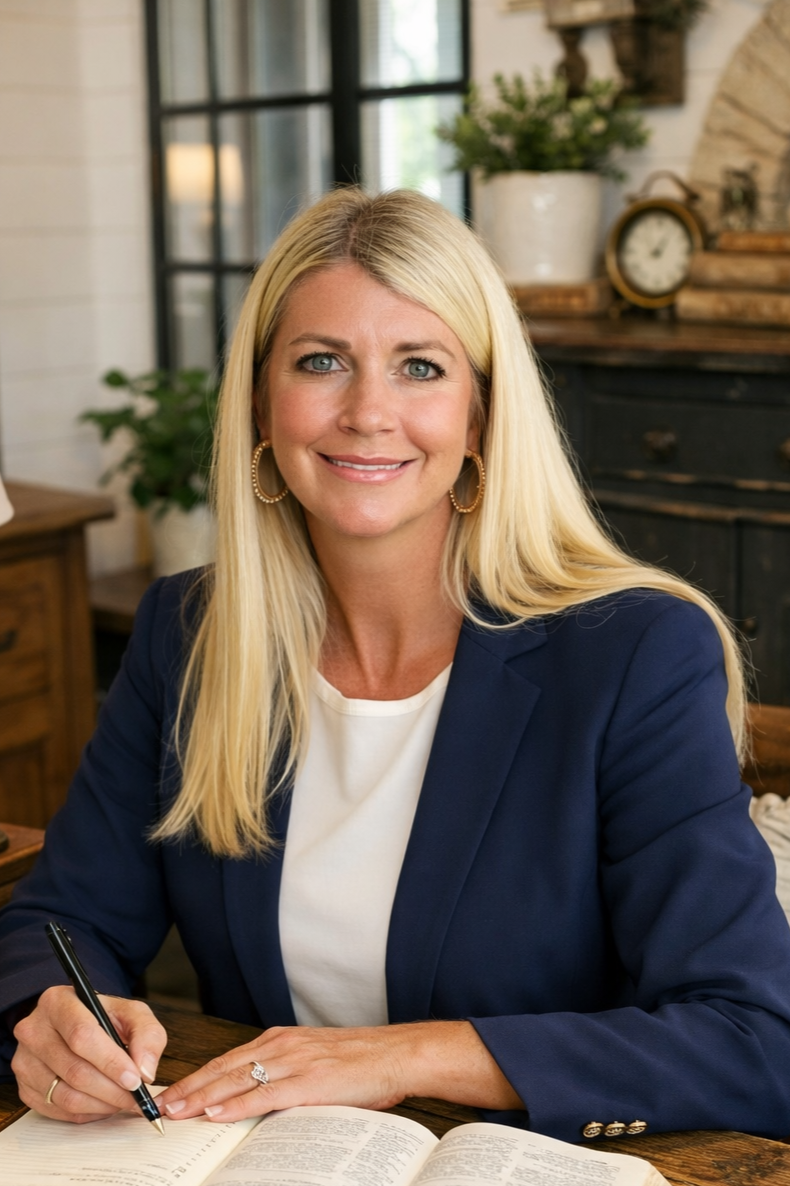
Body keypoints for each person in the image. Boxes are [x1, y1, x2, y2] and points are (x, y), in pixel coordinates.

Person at [2, 188, 790, 1143]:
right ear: (261, 400)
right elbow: (53, 923)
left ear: (481, 416)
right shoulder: (189, 632)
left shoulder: (636, 652)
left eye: (420, 366)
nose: (369, 411)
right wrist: (54, 1016)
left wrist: (401, 1055)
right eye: (321, 361)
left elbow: (751, 1040)